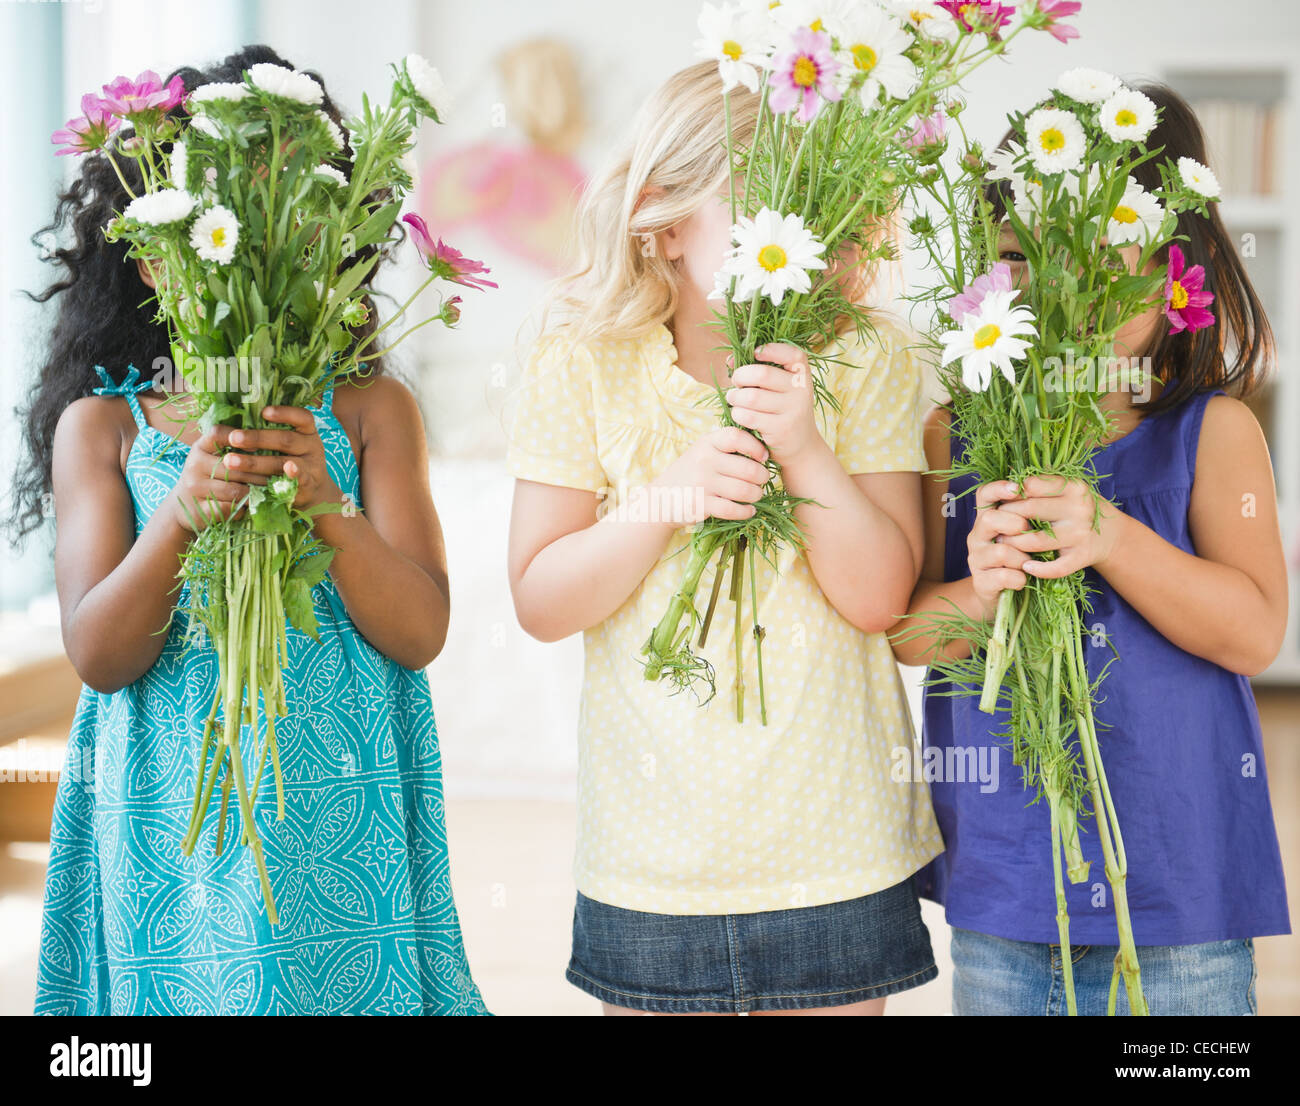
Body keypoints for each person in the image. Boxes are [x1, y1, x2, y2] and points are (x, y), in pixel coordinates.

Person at [16, 45, 488, 1016]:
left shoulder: (369, 411)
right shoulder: (103, 428)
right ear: (155, 247)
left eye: (290, 216)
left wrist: (327, 499)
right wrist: (184, 512)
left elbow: (420, 628)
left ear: (332, 235)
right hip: (170, 824)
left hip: (339, 805)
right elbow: (100, 655)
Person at [507, 61, 943, 1016]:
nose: (809, 233)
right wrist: (667, 498)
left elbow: (879, 600)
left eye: (828, 202)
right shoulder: (580, 357)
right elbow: (540, 600)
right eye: (770, 205)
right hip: (651, 864)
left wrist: (804, 448)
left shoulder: (870, 355)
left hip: (837, 849)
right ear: (663, 221)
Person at [894, 82, 1291, 1016]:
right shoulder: (957, 436)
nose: (1054, 304)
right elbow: (909, 635)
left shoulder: (1216, 432)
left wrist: (1109, 533)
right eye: (1016, 266)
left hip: (1179, 898)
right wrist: (983, 590)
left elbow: (1254, 634)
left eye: (1098, 268)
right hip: (1007, 892)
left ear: (1174, 272)